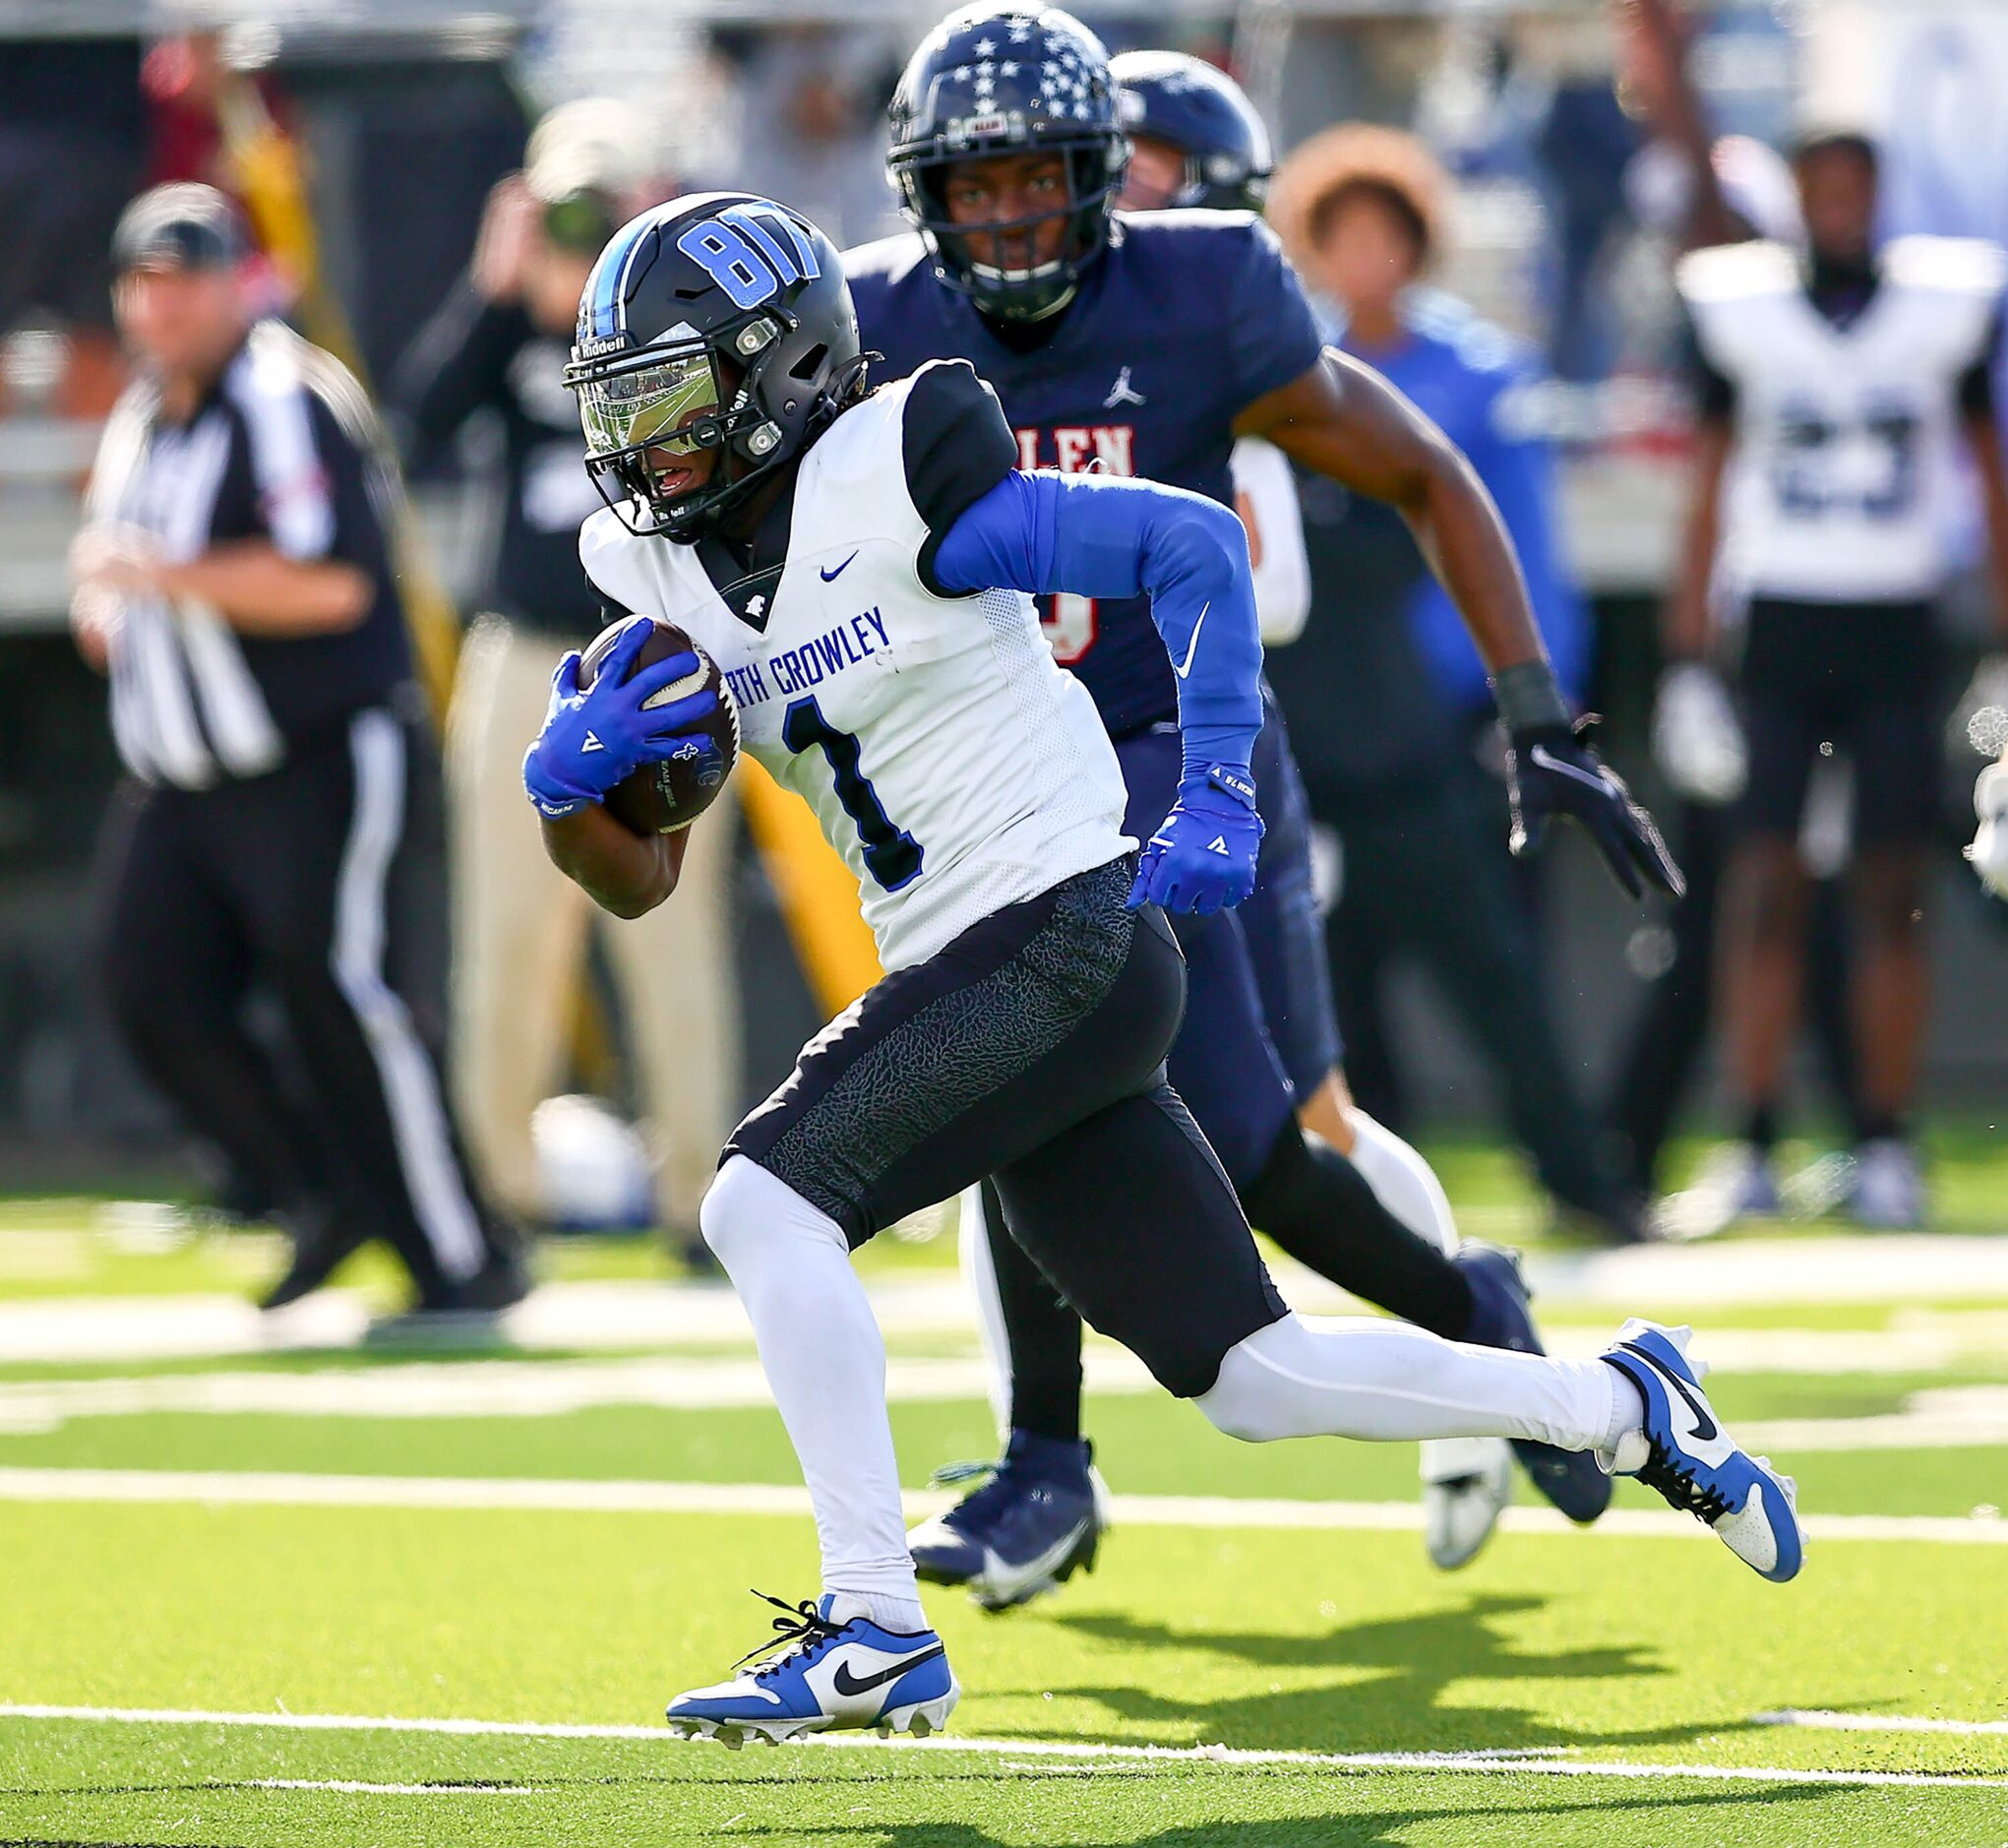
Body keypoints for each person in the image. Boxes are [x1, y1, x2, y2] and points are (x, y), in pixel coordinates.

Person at [527, 185, 1800, 1744]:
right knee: (1257, 1376)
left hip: (1060, 923)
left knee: (759, 1199)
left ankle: (870, 1618)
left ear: (780, 370)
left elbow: (1191, 543)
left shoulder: (899, 460)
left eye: (673, 396)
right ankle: (1622, 1405)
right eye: (626, 406)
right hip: (998, 967)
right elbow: (639, 879)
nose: (646, 442)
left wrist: (1211, 787)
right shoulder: (655, 574)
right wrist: (567, 798)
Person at [848, 10, 1681, 1606]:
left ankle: (1455, 1342)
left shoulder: (1203, 289)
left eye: (1047, 182)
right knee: (1115, 1112)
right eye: (980, 187)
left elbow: (1420, 466)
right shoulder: (875, 320)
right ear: (921, 194)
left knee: (1249, 1133)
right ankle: (1052, 1452)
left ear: (1111, 186)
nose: (1013, 219)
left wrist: (1534, 717)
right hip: (994, 780)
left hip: (1177, 761)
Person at [71, 183, 523, 1317]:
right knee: (148, 984)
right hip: (180, 777)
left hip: (315, 755)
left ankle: (459, 1250)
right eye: (147, 284)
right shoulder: (143, 417)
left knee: (345, 993)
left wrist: (162, 579)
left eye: (188, 280)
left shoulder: (287, 398)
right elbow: (126, 584)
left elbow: (329, 584)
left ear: (237, 283)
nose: (166, 307)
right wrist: (119, 613)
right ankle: (317, 1188)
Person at [1264, 123, 1647, 1245]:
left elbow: (1516, 544)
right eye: (1345, 236)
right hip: (1310, 735)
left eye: (1385, 235)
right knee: (1331, 1004)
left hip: (1437, 730)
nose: (1365, 258)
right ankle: (1374, 1215)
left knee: (1497, 976)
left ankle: (1582, 1180)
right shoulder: (1286, 379)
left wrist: (1532, 699)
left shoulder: (1476, 375)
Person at [393, 103, 738, 1256]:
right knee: (504, 935)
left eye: (604, 214)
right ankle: (498, 1194)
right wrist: (499, 290)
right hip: (526, 652)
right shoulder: (512, 321)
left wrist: (645, 288)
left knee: (671, 935)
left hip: (651, 654)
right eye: (567, 212)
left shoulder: (672, 332)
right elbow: (422, 420)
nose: (581, 237)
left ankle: (701, 1196)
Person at [1661, 130, 2008, 1229]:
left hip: (1898, 621)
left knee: (1890, 891)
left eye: (1858, 185)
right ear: (1797, 198)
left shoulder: (1942, 307)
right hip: (1779, 624)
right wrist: (1684, 658)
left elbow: (1987, 472)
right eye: (1823, 186)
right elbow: (1706, 485)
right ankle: (1755, 1137)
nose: (1841, 205)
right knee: (1761, 887)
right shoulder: (1737, 307)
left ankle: (1883, 1141)